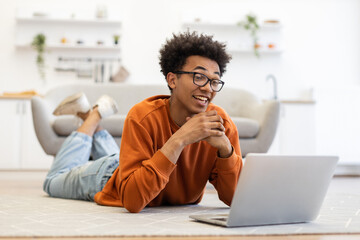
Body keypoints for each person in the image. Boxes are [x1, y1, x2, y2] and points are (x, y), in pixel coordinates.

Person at [44, 31, 243, 213]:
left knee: (120, 156)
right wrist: (179, 139)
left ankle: (89, 115)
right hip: (111, 176)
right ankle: (94, 116)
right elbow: (133, 200)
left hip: (137, 164)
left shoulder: (221, 124)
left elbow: (236, 199)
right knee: (53, 182)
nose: (208, 88)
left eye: (215, 81)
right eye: (199, 77)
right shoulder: (142, 116)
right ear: (172, 80)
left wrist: (226, 150)